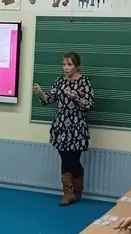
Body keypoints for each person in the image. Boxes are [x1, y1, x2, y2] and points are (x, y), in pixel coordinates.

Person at [33, 51, 94, 206]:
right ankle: (67, 193)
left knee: (73, 160)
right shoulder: (60, 81)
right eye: (64, 64)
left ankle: (77, 189)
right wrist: (40, 92)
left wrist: (77, 98)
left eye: (69, 64)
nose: (65, 68)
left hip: (77, 126)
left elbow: (89, 105)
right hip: (61, 125)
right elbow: (49, 99)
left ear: (77, 66)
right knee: (64, 158)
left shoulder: (84, 82)